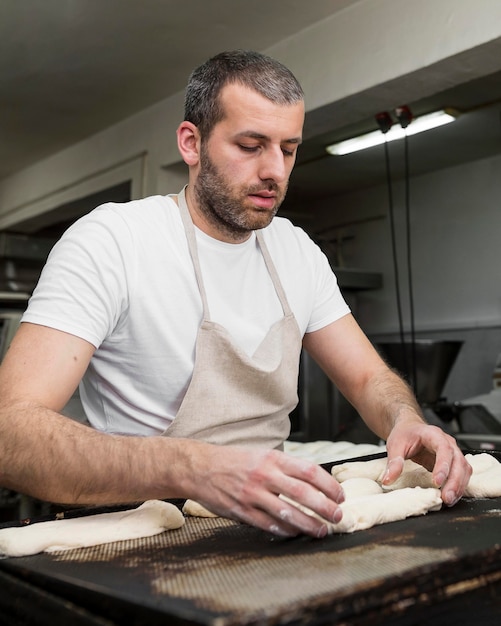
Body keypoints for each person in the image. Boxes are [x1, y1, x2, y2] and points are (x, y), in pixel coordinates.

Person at [0, 50, 471, 539]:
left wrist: (404, 418)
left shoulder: (297, 251)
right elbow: (10, 433)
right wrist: (196, 468)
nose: (276, 171)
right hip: (137, 534)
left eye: (288, 149)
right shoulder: (115, 241)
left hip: (272, 528)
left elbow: (370, 376)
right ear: (191, 143)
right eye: (251, 145)